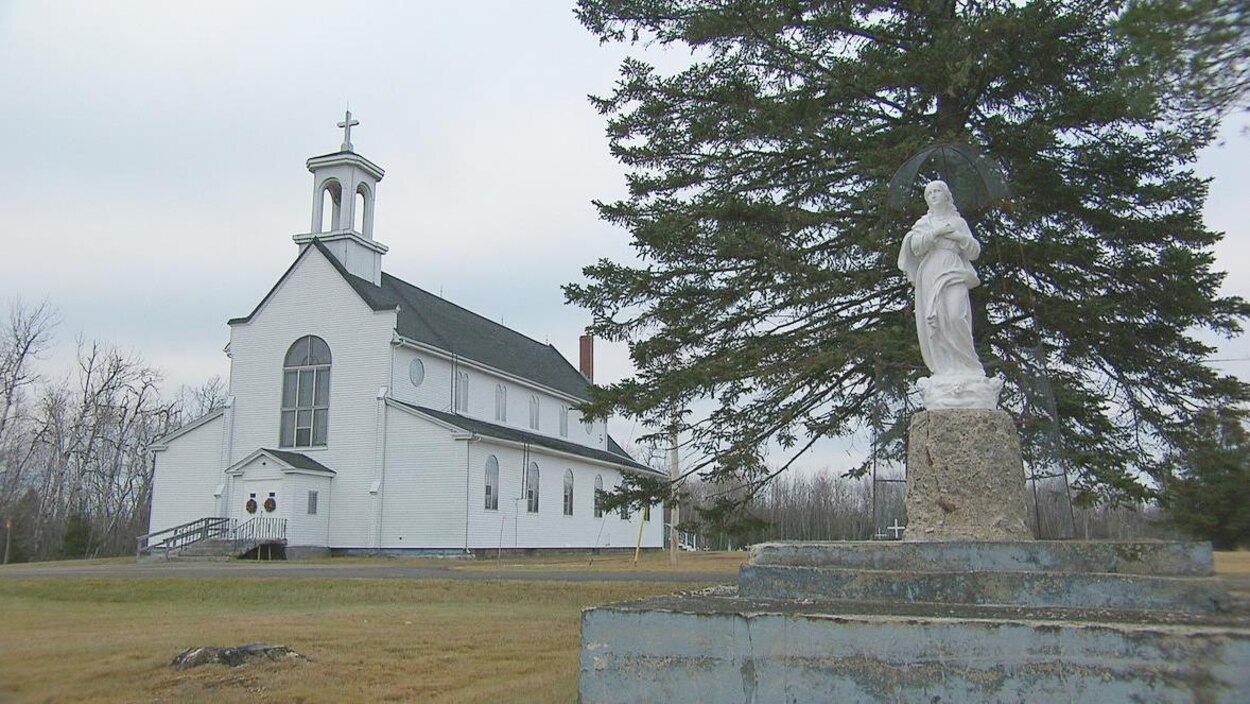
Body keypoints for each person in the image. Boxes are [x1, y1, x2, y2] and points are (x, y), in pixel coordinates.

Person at [898, 180, 985, 380]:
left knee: (955, 315)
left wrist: (957, 237)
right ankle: (945, 369)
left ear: (947, 195)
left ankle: (969, 366)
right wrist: (936, 232)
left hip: (954, 268)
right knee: (936, 319)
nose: (933, 195)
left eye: (937, 191)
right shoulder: (924, 223)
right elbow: (916, 247)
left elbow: (974, 252)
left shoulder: (959, 223)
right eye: (929, 193)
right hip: (931, 271)